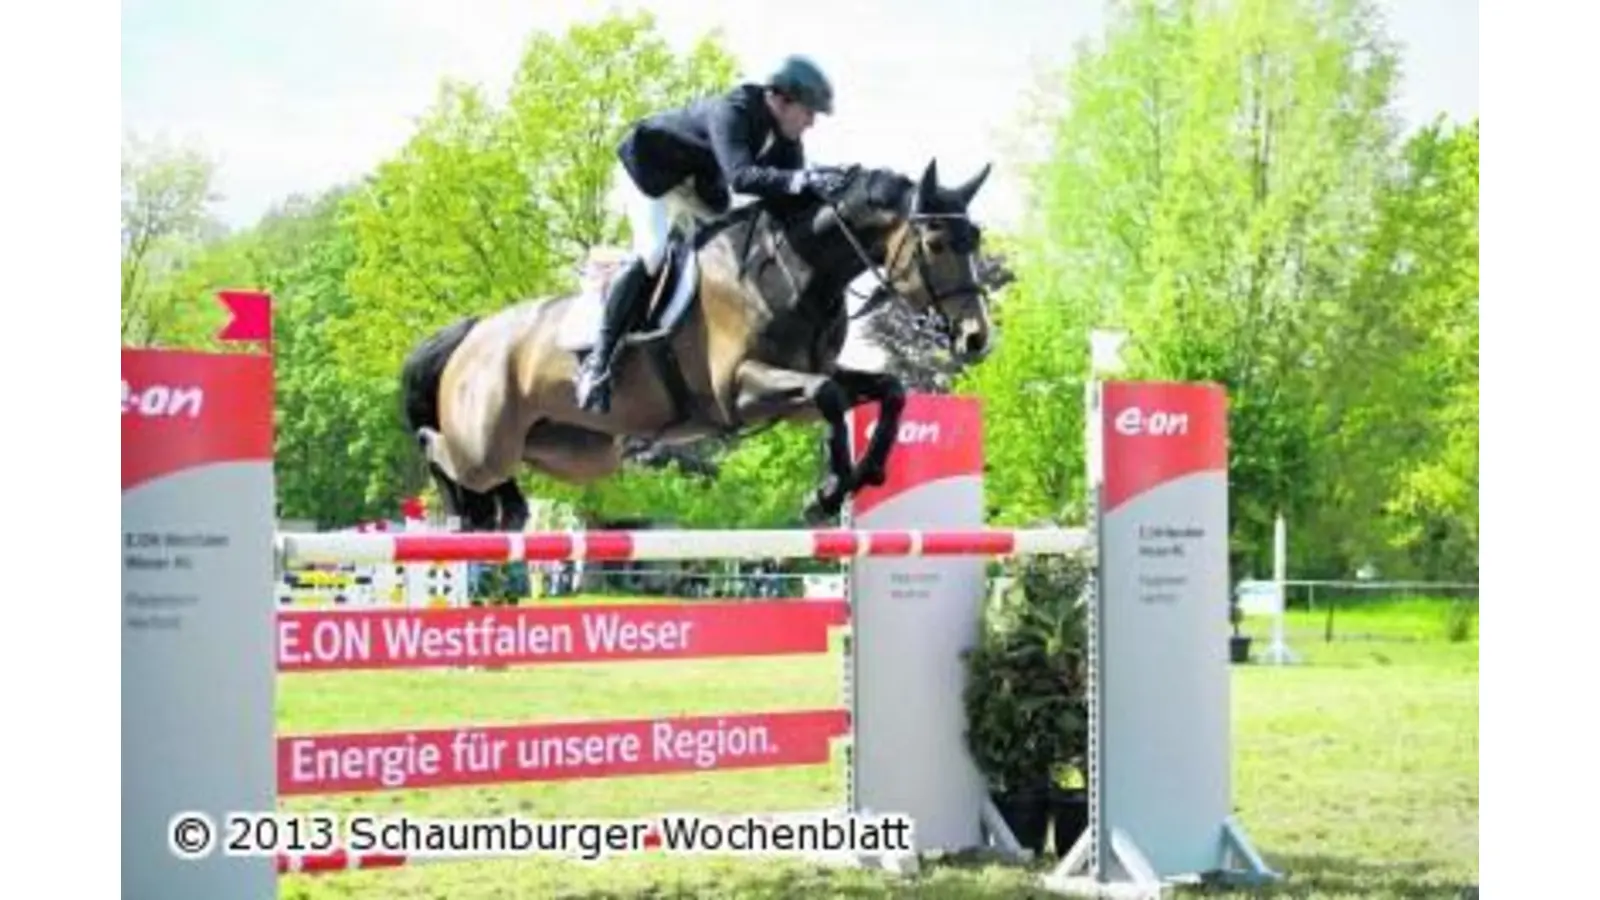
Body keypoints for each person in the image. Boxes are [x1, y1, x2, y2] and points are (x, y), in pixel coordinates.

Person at [575, 54, 854, 414]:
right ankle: (597, 365)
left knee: (730, 243)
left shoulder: (786, 140)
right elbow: (742, 177)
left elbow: (785, 199)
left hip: (698, 187)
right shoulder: (732, 110)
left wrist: (828, 192)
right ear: (782, 100)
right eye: (809, 111)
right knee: (653, 252)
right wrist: (802, 180)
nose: (812, 122)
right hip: (650, 174)